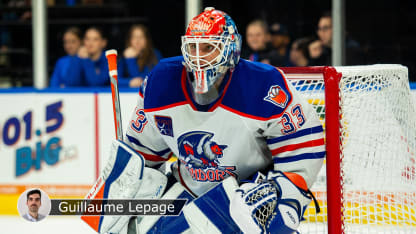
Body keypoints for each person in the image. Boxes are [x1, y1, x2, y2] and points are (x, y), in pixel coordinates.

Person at [88, 7, 324, 234]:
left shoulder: (263, 86)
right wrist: (121, 197)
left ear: (231, 49)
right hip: (190, 187)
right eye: (193, 47)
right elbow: (143, 156)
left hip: (248, 191)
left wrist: (276, 190)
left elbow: (302, 154)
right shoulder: (162, 82)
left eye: (209, 47)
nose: (199, 57)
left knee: (273, 211)